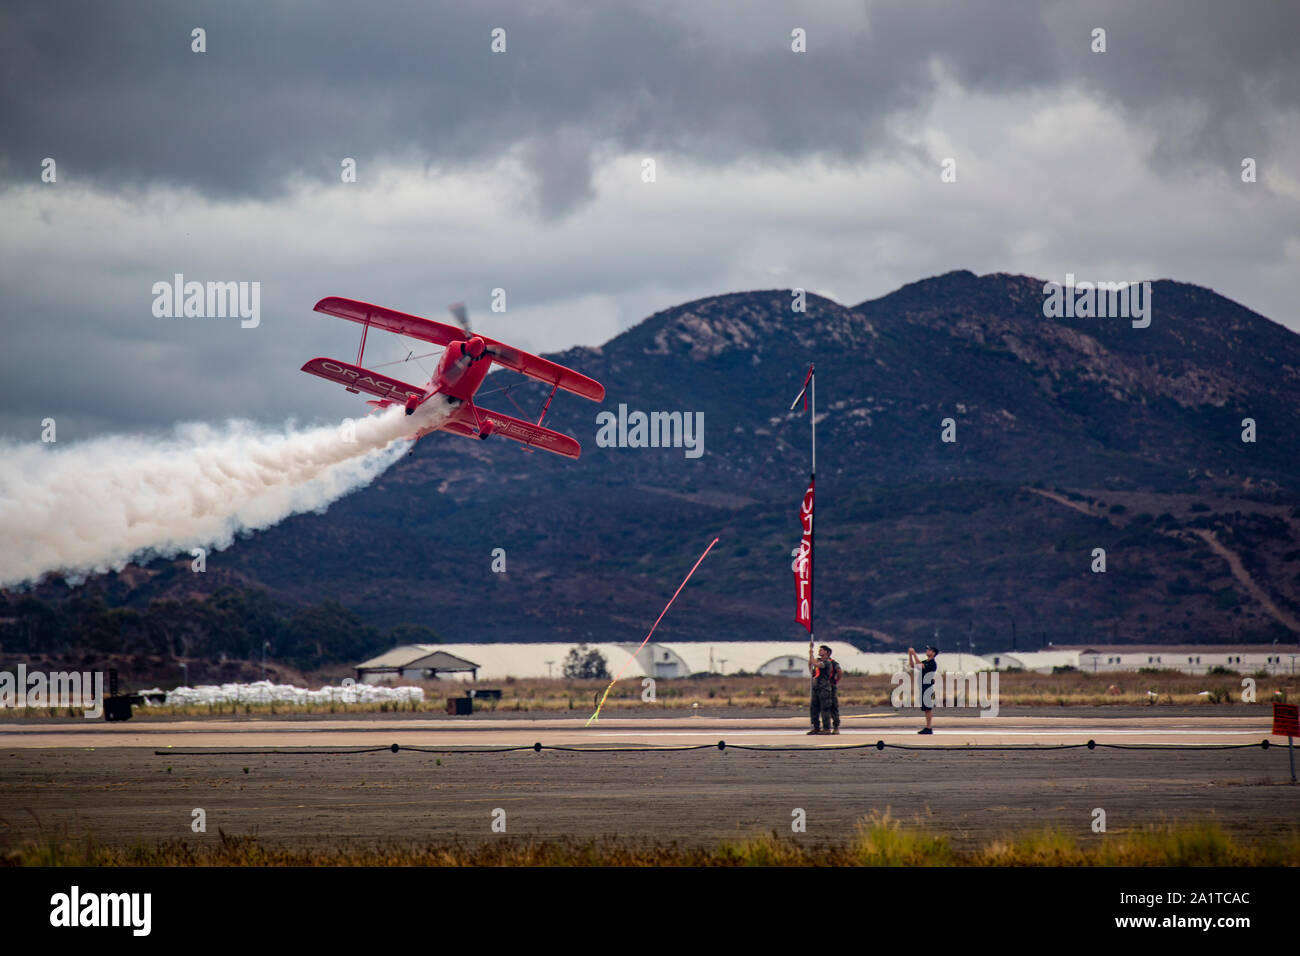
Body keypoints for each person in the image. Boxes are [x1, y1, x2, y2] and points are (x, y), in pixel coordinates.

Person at [807, 644, 842, 735]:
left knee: (828, 707)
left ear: (827, 652)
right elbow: (812, 667)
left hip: (825, 687)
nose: (819, 651)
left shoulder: (828, 662)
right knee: (814, 708)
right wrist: (810, 654)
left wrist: (835, 681)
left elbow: (839, 671)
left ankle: (830, 727)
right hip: (817, 687)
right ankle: (816, 727)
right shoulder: (818, 661)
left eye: (821, 650)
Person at [908, 644, 938, 734]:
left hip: (927, 687)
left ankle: (929, 727)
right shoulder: (926, 661)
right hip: (923, 686)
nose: (927, 651)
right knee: (925, 708)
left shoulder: (932, 663)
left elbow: (920, 665)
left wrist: (914, 654)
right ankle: (928, 727)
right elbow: (913, 665)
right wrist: (910, 655)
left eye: (929, 650)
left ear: (933, 653)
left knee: (928, 708)